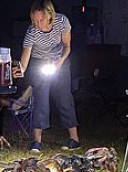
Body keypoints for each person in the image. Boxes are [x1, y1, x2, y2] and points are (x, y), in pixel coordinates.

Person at [15, 0, 80, 154]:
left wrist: (60, 61)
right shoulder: (32, 32)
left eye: (41, 20)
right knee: (41, 100)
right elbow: (26, 55)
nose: (38, 24)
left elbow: (67, 46)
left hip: (60, 61)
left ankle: (74, 139)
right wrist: (21, 69)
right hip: (40, 63)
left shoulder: (62, 21)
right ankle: (37, 141)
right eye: (34, 20)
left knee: (64, 98)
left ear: (50, 15)